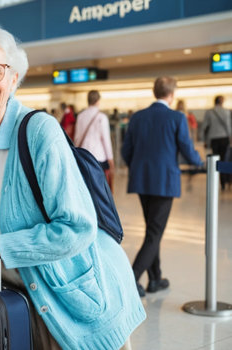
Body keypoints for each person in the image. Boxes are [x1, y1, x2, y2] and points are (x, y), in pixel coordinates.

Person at [0, 23, 145, 350]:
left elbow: (76, 228)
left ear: (13, 77)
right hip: (16, 299)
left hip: (73, 300)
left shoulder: (40, 132)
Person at [121, 76, 203, 298]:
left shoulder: (137, 117)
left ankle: (155, 278)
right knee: (155, 233)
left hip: (142, 180)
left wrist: (138, 167)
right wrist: (200, 163)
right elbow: (186, 147)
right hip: (164, 181)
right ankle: (131, 279)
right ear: (172, 94)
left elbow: (126, 151)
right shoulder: (177, 117)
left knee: (152, 230)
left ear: (155, 92)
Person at [74, 90, 115, 191]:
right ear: (98, 100)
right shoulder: (102, 117)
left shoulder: (80, 116)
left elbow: (77, 137)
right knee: (99, 189)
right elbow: (106, 140)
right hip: (99, 158)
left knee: (87, 188)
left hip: (83, 157)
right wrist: (110, 158)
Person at [201, 95, 231, 190]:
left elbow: (204, 126)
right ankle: (224, 181)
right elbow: (228, 126)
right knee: (224, 160)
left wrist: (204, 139)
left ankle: (217, 182)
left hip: (214, 139)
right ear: (221, 102)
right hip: (224, 138)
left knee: (215, 161)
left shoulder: (209, 112)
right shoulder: (226, 112)